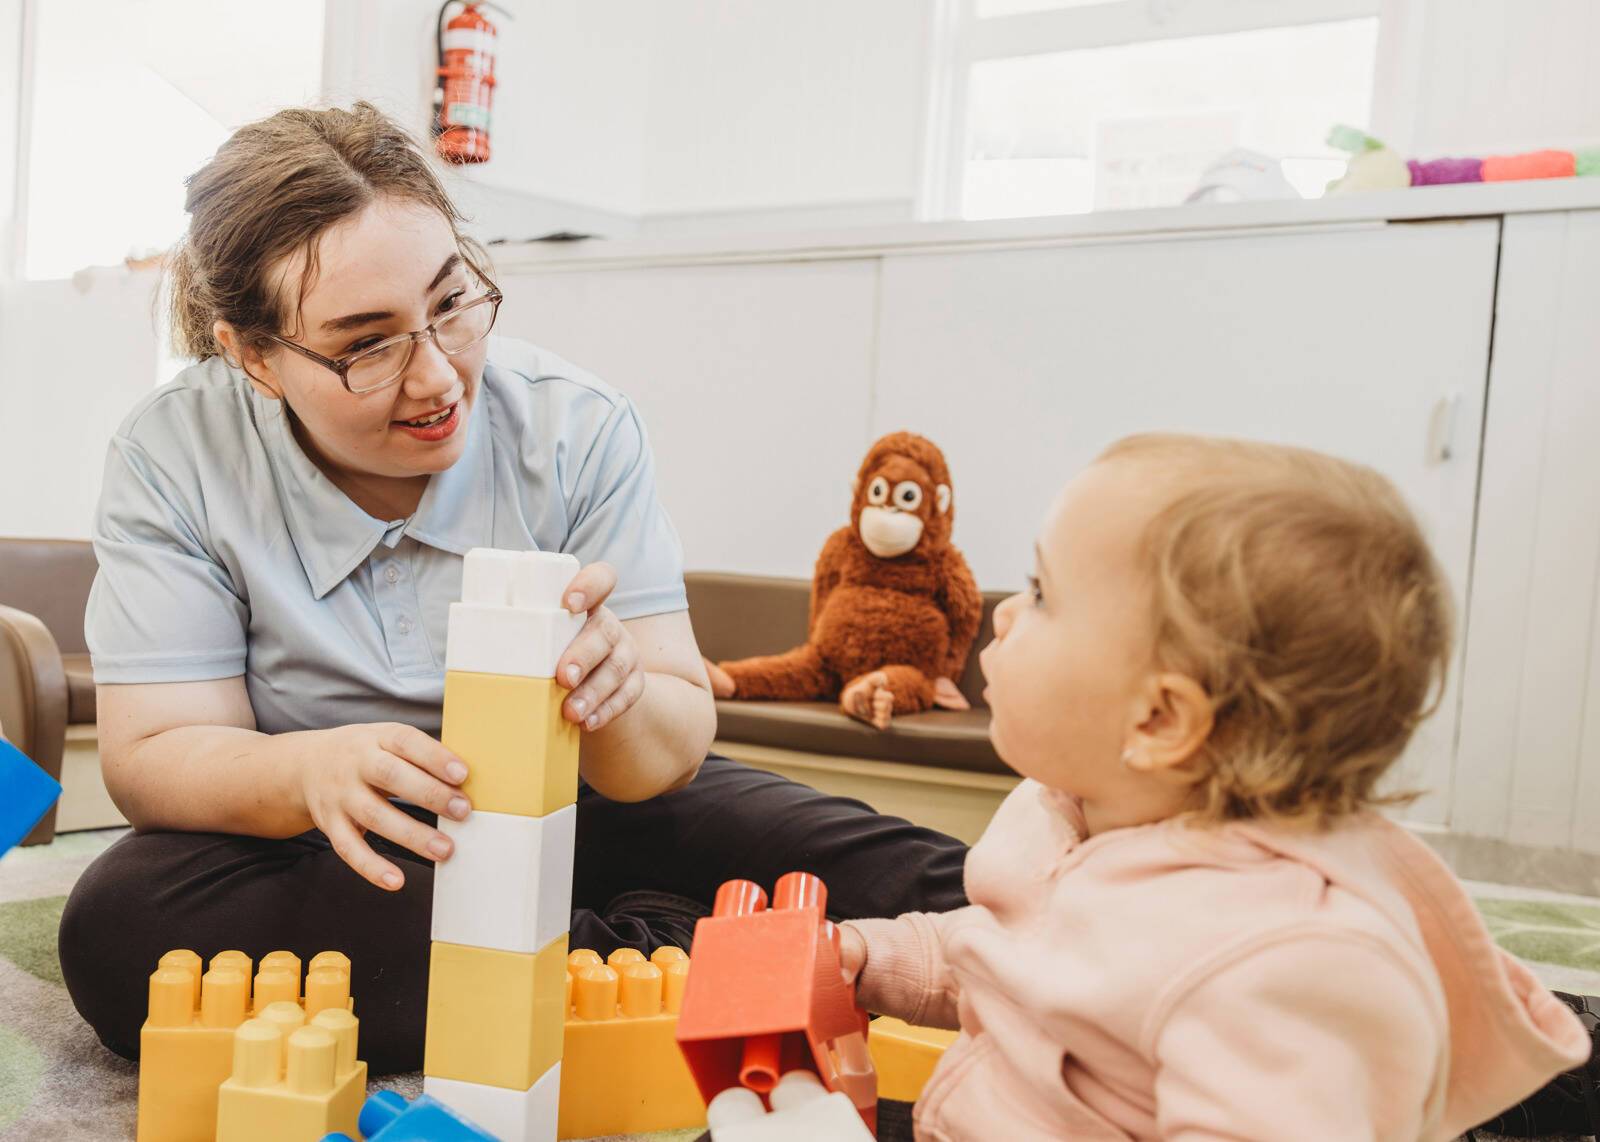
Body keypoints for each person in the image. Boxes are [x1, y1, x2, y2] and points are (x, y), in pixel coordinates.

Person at [57, 103, 966, 1074]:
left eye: (451, 303)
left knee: (939, 883)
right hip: (353, 847)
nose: (439, 375)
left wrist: (615, 696)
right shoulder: (175, 455)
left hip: (584, 802)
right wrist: (306, 772)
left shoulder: (575, 426)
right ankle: (681, 967)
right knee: (119, 925)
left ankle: (622, 958)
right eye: (367, 345)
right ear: (253, 354)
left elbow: (666, 751)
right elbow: (154, 752)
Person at [839, 434, 1590, 1140]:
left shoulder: (1281, 966)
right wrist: (867, 957)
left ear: (1161, 719)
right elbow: (999, 959)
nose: (1004, 612)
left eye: (1041, 593)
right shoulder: (1066, 810)